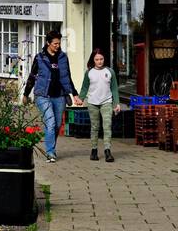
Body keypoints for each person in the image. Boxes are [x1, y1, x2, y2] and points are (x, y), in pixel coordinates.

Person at [22, 31, 82, 163]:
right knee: (51, 121)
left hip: (60, 96)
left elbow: (68, 78)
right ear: (48, 43)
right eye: (55, 43)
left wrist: (75, 94)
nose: (57, 46)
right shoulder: (39, 58)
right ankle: (50, 152)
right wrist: (26, 94)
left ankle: (51, 148)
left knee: (56, 125)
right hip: (43, 95)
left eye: (59, 43)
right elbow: (32, 76)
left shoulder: (63, 57)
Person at [79, 47, 121, 162]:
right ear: (93, 60)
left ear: (104, 59)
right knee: (95, 127)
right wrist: (81, 98)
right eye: (97, 59)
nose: (99, 61)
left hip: (106, 102)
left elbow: (114, 89)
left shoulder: (110, 72)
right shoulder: (89, 72)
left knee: (107, 126)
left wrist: (116, 103)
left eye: (101, 59)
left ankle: (107, 151)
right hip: (92, 103)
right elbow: (84, 87)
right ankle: (94, 150)